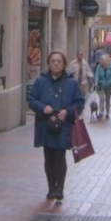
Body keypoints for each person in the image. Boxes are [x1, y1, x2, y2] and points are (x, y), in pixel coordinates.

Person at [28, 51, 85, 202]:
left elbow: (79, 103)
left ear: (64, 64)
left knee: (60, 156)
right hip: (45, 125)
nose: (56, 64)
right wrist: (42, 107)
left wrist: (68, 111)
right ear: (48, 63)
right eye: (53, 61)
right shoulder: (40, 81)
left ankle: (59, 188)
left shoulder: (71, 83)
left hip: (63, 126)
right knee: (49, 157)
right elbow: (32, 100)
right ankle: (51, 188)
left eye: (59, 61)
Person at [94, 54, 111, 119]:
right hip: (101, 85)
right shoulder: (99, 67)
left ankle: (107, 112)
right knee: (101, 98)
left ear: (106, 61)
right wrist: (96, 82)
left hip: (109, 86)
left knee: (107, 99)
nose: (100, 61)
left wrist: (110, 82)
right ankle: (101, 112)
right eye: (100, 60)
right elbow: (97, 75)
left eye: (102, 60)